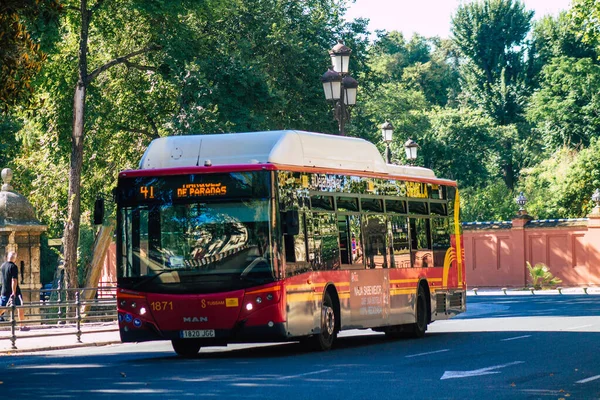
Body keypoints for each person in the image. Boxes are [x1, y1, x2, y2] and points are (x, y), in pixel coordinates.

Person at [0, 251, 28, 330]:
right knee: (20, 307)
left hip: (4, 291)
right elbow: (14, 280)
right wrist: (13, 292)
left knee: (2, 308)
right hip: (14, 292)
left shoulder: (2, 266)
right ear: (15, 258)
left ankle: (22, 326)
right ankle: (22, 326)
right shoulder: (13, 267)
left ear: (7, 257)